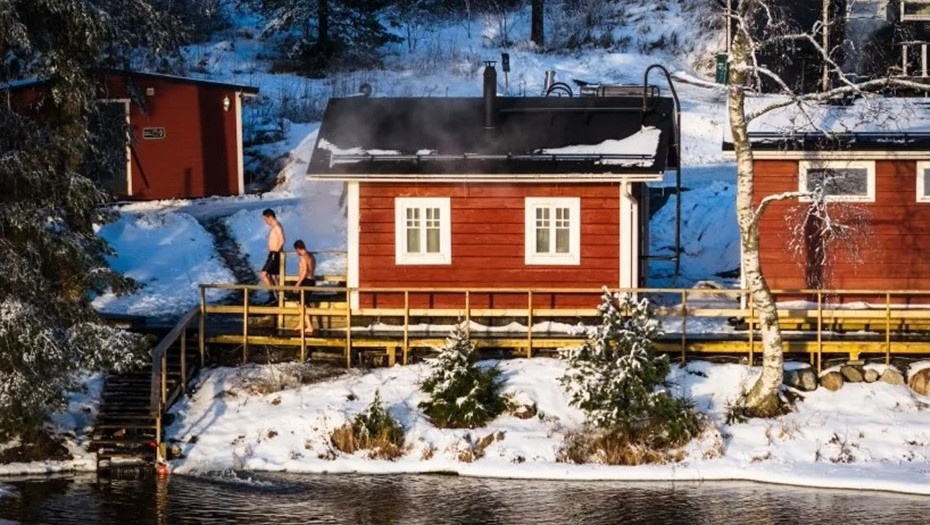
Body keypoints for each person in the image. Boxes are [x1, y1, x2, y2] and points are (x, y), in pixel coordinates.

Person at [259, 208, 285, 302]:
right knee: (272, 276)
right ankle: (279, 296)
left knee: (263, 275)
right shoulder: (274, 226)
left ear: (270, 217)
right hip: (272, 253)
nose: (265, 222)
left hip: (275, 254)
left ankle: (272, 296)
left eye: (266, 219)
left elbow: (282, 240)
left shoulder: (277, 227)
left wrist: (275, 253)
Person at [293, 239, 317, 335]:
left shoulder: (303, 257)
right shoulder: (311, 256)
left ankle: (309, 326)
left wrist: (297, 284)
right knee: (300, 303)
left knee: (302, 305)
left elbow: (304, 272)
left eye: (296, 250)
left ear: (298, 249)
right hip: (312, 281)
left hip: (306, 281)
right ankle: (301, 323)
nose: (296, 252)